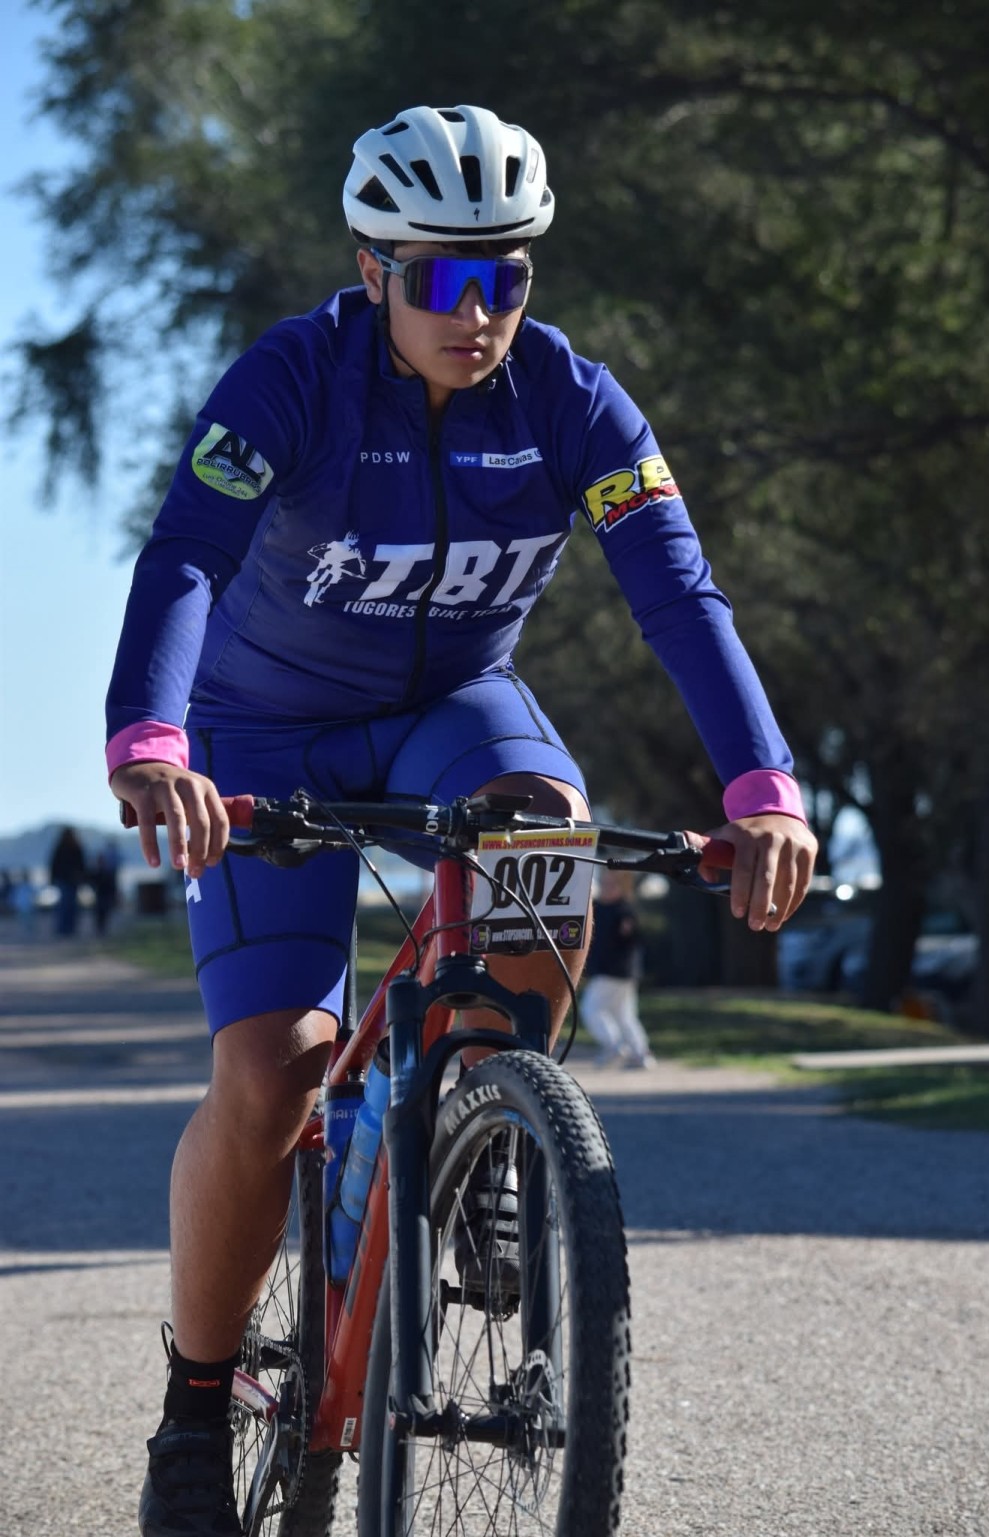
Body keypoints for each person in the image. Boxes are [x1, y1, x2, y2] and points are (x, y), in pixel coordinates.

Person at [106, 104, 818, 1537]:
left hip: (455, 707)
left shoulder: (572, 402)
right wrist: (151, 739)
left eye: (508, 276)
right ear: (373, 269)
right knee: (274, 1071)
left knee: (547, 822)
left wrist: (766, 789)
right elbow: (186, 554)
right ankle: (195, 1407)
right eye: (443, 278)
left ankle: (488, 1120)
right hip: (263, 729)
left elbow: (679, 593)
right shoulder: (291, 379)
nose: (478, 311)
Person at [581, 868, 654, 1068]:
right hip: (617, 973)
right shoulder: (598, 908)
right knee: (624, 1015)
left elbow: (633, 939)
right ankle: (641, 1053)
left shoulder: (625, 911)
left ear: (622, 888)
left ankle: (614, 1046)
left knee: (591, 1009)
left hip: (614, 972)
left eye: (612, 885)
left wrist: (627, 929)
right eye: (604, 883)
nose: (606, 888)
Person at [48, 825, 88, 938]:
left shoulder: (69, 848)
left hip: (69, 880)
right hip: (67, 880)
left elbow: (54, 865)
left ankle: (66, 928)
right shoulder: (69, 848)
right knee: (67, 904)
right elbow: (54, 865)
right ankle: (66, 928)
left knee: (67, 904)